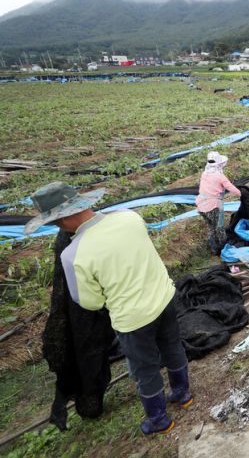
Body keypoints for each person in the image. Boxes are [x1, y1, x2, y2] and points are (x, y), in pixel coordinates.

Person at [24, 181, 193, 436]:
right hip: (164, 296)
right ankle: (183, 394)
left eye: (56, 223)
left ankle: (159, 420)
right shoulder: (129, 217)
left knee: (145, 368)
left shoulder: (73, 255)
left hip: (133, 319)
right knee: (172, 346)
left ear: (64, 219)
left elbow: (89, 302)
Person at [196, 151, 241, 254]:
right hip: (213, 206)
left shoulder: (204, 173)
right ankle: (225, 248)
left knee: (211, 227)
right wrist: (242, 193)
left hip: (201, 205)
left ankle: (214, 249)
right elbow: (229, 187)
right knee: (219, 227)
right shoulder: (219, 176)